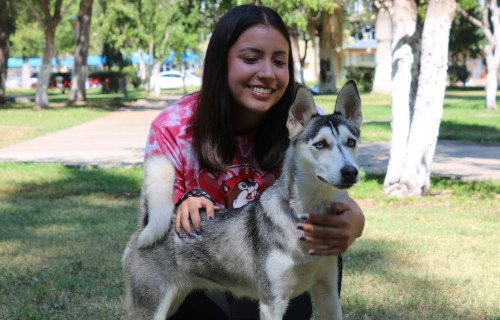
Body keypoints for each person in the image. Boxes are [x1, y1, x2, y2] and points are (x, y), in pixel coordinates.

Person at [144, 4, 365, 319]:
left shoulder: (300, 128)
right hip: (202, 261)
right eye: (250, 58)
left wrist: (355, 223)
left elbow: (327, 186)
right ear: (221, 62)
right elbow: (155, 218)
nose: (267, 72)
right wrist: (182, 201)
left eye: (279, 61)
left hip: (268, 262)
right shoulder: (173, 127)